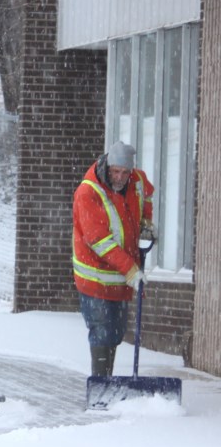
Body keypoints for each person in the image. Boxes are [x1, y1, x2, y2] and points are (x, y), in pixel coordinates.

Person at [72, 140, 156, 377]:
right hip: (95, 276)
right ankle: (101, 383)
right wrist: (131, 270)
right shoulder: (88, 192)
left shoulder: (137, 181)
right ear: (107, 166)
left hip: (120, 278)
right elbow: (99, 240)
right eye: (115, 171)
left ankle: (107, 380)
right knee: (101, 330)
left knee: (116, 331)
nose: (119, 177)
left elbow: (146, 195)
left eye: (124, 172)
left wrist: (146, 225)